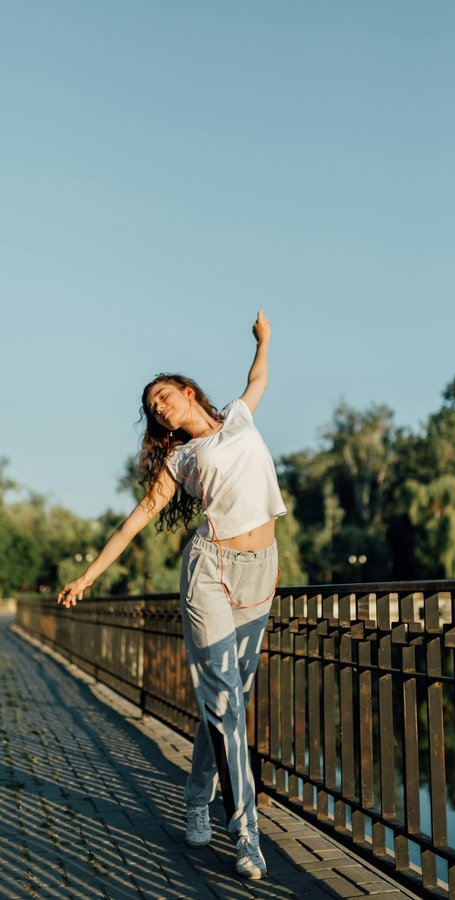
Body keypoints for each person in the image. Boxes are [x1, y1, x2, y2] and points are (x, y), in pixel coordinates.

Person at [57, 310, 286, 881]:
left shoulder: (238, 417)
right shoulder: (179, 460)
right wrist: (89, 575)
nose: (158, 407)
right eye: (152, 406)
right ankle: (246, 834)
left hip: (262, 571)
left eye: (163, 396)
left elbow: (257, 379)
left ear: (187, 393)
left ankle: (193, 798)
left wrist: (263, 341)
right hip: (210, 571)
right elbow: (135, 521)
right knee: (225, 702)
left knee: (228, 701)